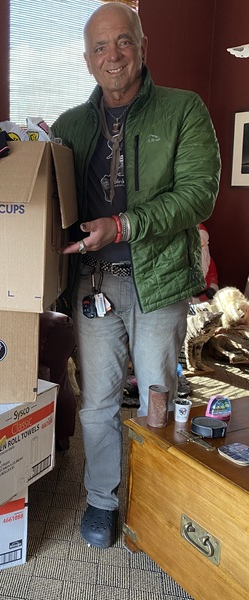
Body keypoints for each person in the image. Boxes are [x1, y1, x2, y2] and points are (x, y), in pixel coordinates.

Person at [52, 2, 221, 549]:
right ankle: (103, 499)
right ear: (86, 59)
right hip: (92, 285)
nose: (113, 55)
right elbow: (49, 203)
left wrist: (123, 225)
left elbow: (199, 193)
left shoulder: (184, 110)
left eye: (123, 41)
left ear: (142, 46)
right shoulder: (70, 127)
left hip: (159, 280)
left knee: (156, 396)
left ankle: (153, 503)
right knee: (97, 400)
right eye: (100, 46)